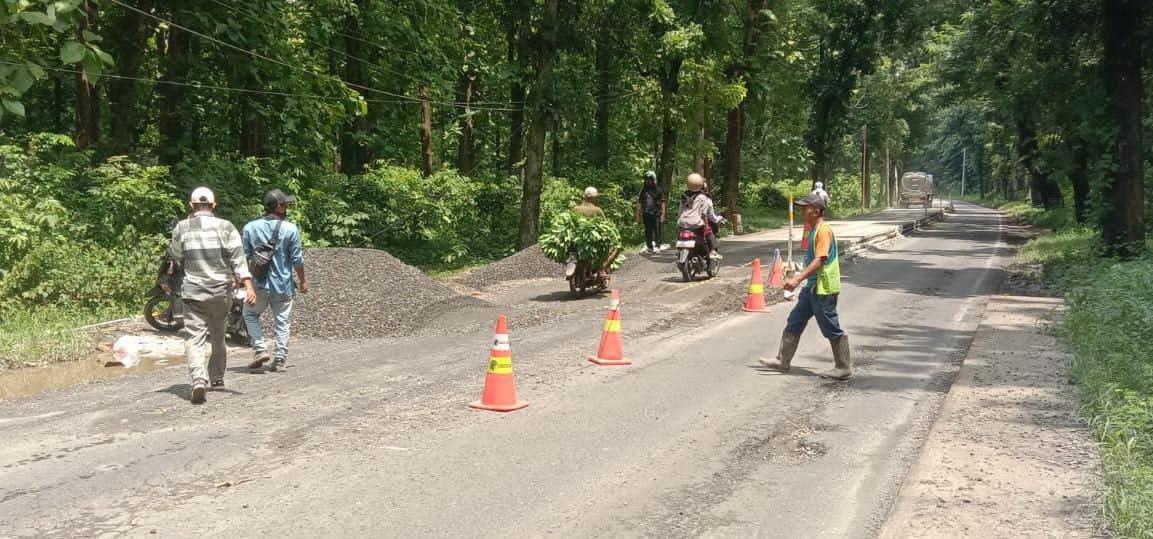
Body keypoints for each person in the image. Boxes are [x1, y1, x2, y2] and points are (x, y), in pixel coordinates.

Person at [166, 187, 257, 404]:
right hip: (220, 292)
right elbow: (238, 259)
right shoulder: (226, 227)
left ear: (191, 205)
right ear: (214, 205)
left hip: (193, 293)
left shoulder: (182, 227)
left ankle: (198, 379)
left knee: (194, 337)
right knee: (218, 335)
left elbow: (175, 253)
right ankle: (216, 378)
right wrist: (248, 286)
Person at [760, 193, 851, 380]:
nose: (802, 211)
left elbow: (820, 259)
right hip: (812, 287)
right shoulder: (813, 230)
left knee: (830, 326)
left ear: (816, 211)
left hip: (823, 288)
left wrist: (797, 279)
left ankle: (843, 367)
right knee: (795, 321)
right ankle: (783, 361)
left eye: (805, 208)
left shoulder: (823, 230)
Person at [243, 188, 308, 373]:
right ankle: (279, 360)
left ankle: (260, 349)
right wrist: (303, 281)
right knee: (282, 322)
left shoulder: (250, 228)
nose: (286, 208)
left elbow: (243, 257)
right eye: (285, 204)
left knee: (250, 315)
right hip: (283, 284)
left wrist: (243, 283)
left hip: (258, 283)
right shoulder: (290, 229)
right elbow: (297, 260)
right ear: (279, 206)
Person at [676, 173, 721, 259]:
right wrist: (716, 219)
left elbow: (680, 211)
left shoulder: (684, 196)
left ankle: (679, 251)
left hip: (683, 222)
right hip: (696, 223)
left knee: (680, 233)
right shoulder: (703, 197)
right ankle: (712, 251)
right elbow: (705, 213)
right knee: (709, 232)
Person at [636, 171, 666, 253]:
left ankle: (657, 245)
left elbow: (663, 202)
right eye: (646, 179)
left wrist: (663, 215)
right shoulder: (643, 191)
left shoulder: (658, 190)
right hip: (646, 213)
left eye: (649, 179)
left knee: (657, 230)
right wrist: (638, 216)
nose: (648, 181)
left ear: (653, 180)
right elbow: (639, 203)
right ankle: (649, 246)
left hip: (656, 213)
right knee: (648, 231)